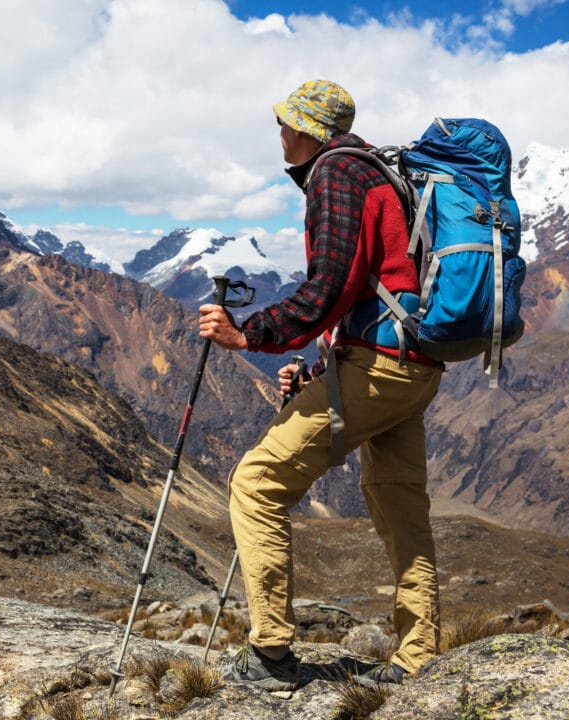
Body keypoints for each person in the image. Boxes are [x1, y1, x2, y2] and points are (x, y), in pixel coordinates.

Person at [199, 79, 443, 691]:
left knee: (256, 482)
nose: (279, 133)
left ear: (308, 129)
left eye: (285, 123)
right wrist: (317, 371)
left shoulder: (338, 176)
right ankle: (419, 657)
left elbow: (328, 289)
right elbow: (378, 287)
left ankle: (272, 657)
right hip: (414, 366)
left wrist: (247, 334)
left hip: (381, 367)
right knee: (400, 506)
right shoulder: (377, 172)